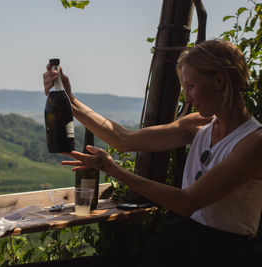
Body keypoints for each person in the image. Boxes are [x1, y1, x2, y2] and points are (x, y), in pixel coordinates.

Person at [42, 39, 262, 266]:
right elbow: (124, 139)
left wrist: (112, 169)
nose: (187, 98)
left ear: (219, 81)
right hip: (189, 245)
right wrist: (70, 100)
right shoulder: (199, 124)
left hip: (229, 254)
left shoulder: (253, 144)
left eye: (192, 86)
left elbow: (186, 202)